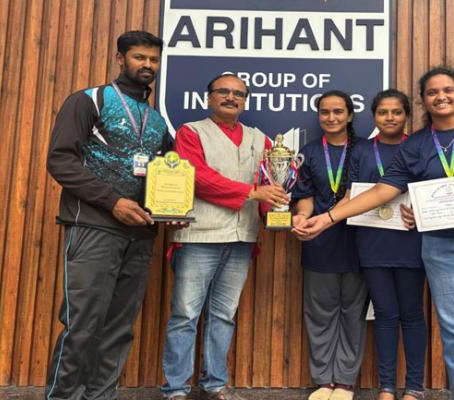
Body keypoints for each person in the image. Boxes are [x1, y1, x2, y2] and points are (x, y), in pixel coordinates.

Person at [297, 67, 454, 400]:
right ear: (423, 100)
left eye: (447, 90)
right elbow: (383, 190)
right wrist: (327, 218)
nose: (441, 96)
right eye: (432, 92)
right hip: (443, 244)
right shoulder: (418, 145)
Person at [45, 30, 176, 400]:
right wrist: (112, 202)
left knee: (119, 329)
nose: (147, 65)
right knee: (82, 325)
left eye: (153, 59)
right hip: (94, 226)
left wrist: (171, 211)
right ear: (120, 58)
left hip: (141, 235)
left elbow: (166, 177)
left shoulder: (157, 121)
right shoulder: (89, 101)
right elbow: (61, 160)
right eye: (139, 57)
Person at [161, 74, 289, 400]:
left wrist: (277, 213)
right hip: (199, 236)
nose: (231, 98)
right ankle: (175, 390)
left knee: (224, 316)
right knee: (185, 315)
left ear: (245, 101)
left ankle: (215, 385)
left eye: (238, 94)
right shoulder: (191, 132)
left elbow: (271, 183)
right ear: (209, 97)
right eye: (224, 91)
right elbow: (197, 176)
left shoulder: (260, 139)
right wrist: (252, 192)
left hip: (242, 238)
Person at [347, 90, 426, 400]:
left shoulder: (419, 147)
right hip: (372, 242)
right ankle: (387, 387)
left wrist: (420, 213)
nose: (390, 117)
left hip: (411, 241)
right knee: (384, 314)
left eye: (396, 112)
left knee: (412, 314)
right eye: (383, 112)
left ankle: (415, 387)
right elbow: (352, 194)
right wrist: (322, 220)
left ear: (407, 115)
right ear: (374, 116)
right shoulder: (361, 150)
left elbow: (430, 189)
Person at [291, 90, 368, 400]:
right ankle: (324, 381)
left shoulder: (365, 150)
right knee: (319, 314)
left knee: (353, 314)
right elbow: (305, 198)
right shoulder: (309, 153)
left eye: (338, 111)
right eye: (325, 112)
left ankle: (345, 382)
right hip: (319, 242)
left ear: (350, 115)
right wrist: (301, 217)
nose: (331, 117)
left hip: (359, 243)